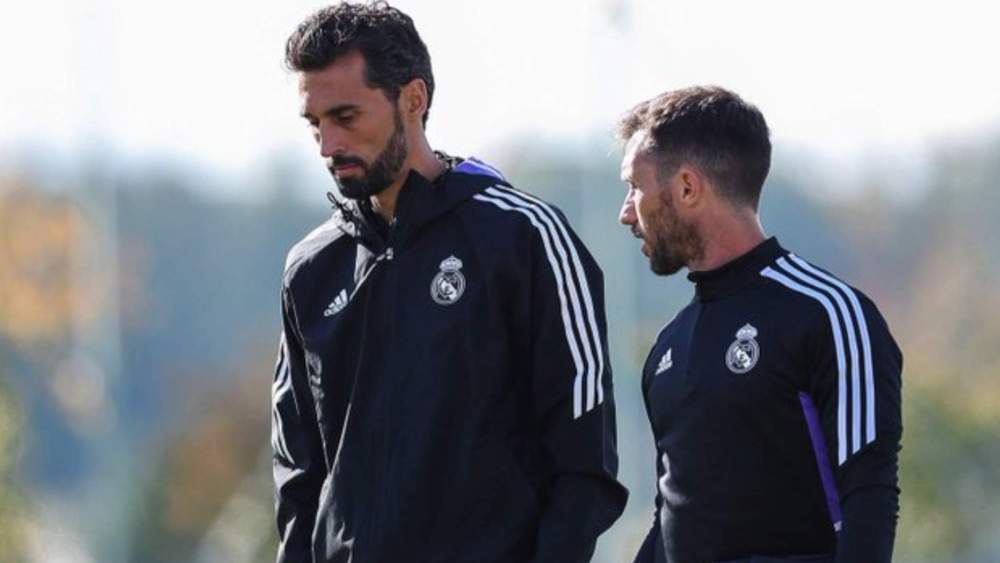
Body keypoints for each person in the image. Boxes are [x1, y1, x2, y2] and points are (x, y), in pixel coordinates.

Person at [270, 3, 627, 562]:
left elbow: (585, 463)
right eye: (315, 124)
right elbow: (298, 474)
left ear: (413, 99)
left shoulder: (523, 237)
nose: (327, 146)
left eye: (346, 117)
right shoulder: (311, 269)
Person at [616, 86, 902, 563]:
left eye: (634, 186)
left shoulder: (828, 313)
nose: (626, 212)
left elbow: (869, 495)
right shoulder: (668, 348)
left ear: (687, 187)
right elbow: (672, 520)